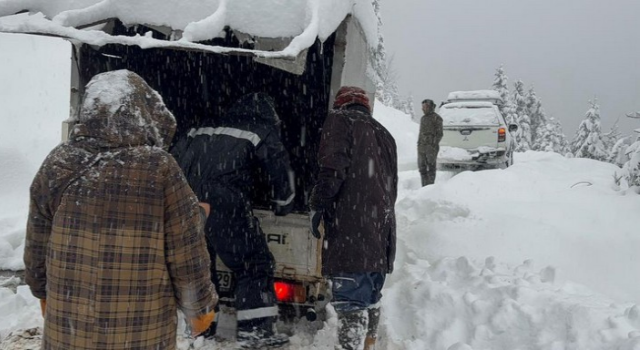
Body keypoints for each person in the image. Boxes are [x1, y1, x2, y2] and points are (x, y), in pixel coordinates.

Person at [24, 70, 217, 350]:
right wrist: (199, 307)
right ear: (144, 112)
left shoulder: (59, 161)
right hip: (142, 333)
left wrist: (41, 291)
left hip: (68, 329)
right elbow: (185, 250)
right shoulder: (159, 167)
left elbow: (37, 243)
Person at [172, 93, 295, 348]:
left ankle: (200, 329)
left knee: (201, 267)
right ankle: (256, 332)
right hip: (225, 203)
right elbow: (279, 170)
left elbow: (172, 160)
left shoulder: (201, 128)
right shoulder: (261, 130)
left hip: (188, 203)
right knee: (254, 264)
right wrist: (283, 203)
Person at [309, 86, 398, 350]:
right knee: (370, 298)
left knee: (351, 304)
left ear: (340, 106)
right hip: (380, 238)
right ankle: (368, 345)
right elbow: (391, 190)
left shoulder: (340, 121)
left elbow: (332, 171)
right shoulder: (385, 134)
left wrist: (318, 204)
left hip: (352, 235)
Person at [417, 98, 444, 186]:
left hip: (431, 148)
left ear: (429, 107)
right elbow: (421, 134)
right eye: (422, 107)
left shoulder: (437, 118)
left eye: (424, 107)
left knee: (431, 168)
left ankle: (430, 188)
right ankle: (424, 187)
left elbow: (439, 134)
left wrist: (432, 143)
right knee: (422, 168)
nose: (422, 108)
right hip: (421, 148)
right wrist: (419, 144)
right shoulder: (423, 119)